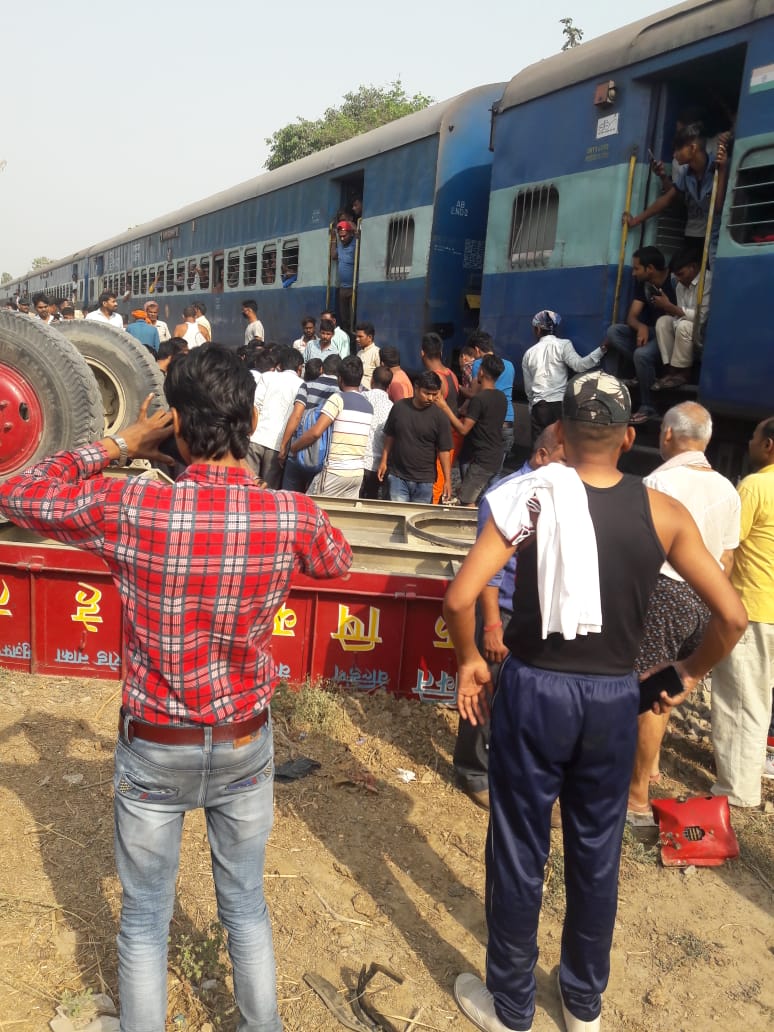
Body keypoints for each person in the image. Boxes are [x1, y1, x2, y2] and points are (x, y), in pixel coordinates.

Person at [0, 344, 353, 1032]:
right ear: (252, 421)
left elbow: (17, 491)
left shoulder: (132, 504)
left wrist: (121, 443)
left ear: (177, 426)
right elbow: (335, 560)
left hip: (156, 744)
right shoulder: (289, 515)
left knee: (143, 920)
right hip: (244, 743)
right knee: (245, 906)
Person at [444, 371, 745, 1032]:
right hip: (614, 696)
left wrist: (469, 661)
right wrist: (687, 672)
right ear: (629, 438)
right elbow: (732, 616)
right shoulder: (664, 512)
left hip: (535, 689)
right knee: (596, 851)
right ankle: (583, 1005)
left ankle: (511, 1005)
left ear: (561, 431)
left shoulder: (531, 496)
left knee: (519, 848)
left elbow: (460, 597)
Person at [627, 402, 740, 824]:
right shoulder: (727, 488)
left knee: (648, 692)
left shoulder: (659, 482)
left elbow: (640, 551)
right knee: (671, 681)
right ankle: (651, 764)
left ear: (669, 434)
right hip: (707, 598)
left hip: (665, 592)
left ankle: (636, 797)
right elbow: (726, 557)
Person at [452, 423, 566, 809]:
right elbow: (489, 572)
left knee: (524, 695)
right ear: (542, 456)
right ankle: (474, 771)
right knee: (486, 689)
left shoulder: (559, 492)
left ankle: (512, 764)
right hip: (504, 610)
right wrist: (492, 625)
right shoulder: (506, 494)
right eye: (565, 459)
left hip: (538, 612)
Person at [711, 415, 774, 809]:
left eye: (753, 437)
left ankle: (738, 790)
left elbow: (728, 546)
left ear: (769, 445)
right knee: (760, 697)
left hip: (754, 607)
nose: (749, 443)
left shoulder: (755, 486)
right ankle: (746, 768)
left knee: (742, 700)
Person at [624, 122, 729, 259]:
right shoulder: (686, 172)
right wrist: (636, 220)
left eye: (678, 149)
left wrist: (722, 170)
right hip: (698, 236)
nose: (674, 155)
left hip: (718, 237)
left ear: (692, 148)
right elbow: (667, 199)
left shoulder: (718, 165)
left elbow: (718, 206)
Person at [602, 246, 677, 425]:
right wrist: (641, 326)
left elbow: (683, 316)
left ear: (649, 268)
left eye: (636, 268)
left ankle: (648, 406)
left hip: (670, 335)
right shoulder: (644, 284)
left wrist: (667, 306)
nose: (633, 273)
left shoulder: (674, 282)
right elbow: (631, 317)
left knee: (641, 354)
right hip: (652, 332)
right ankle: (645, 371)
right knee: (614, 332)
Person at [290, 354, 372, 498]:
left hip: (335, 471)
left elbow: (316, 432)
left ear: (340, 378)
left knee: (312, 506)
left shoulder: (337, 399)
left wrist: (295, 447)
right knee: (343, 512)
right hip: (357, 474)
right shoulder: (368, 406)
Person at [522, 310, 605, 442]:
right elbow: (579, 365)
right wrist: (602, 349)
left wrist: (533, 407)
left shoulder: (529, 353)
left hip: (540, 407)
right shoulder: (563, 345)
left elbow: (529, 389)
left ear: (537, 329)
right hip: (560, 405)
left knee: (540, 445)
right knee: (561, 444)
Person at [436, 354, 508, 506]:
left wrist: (444, 407)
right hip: (497, 455)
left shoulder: (479, 399)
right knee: (487, 499)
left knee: (467, 501)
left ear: (481, 372)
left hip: (483, 459)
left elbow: (463, 430)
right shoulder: (501, 397)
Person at [378, 370, 453, 504]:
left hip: (425, 481)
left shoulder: (440, 417)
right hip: (398, 476)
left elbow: (444, 450)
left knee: (418, 516)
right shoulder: (399, 408)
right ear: (416, 388)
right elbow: (390, 435)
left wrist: (447, 480)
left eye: (434, 394)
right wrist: (383, 461)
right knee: (398, 514)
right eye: (427, 393)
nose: (430, 398)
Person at [279, 354, 342, 494]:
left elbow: (296, 415)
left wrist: (284, 446)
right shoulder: (340, 392)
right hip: (322, 456)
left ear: (321, 369)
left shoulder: (307, 385)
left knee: (290, 496)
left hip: (297, 450)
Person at [651, 250, 711, 390]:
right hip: (686, 330)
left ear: (693, 267)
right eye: (676, 275)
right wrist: (669, 309)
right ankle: (671, 371)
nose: (678, 279)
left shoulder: (707, 280)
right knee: (663, 322)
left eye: (681, 274)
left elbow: (702, 317)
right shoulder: (680, 285)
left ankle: (684, 373)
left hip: (703, 332)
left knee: (683, 325)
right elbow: (680, 314)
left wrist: (671, 307)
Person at [248, 346, 304, 489]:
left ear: (280, 364)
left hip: (255, 438)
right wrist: (284, 446)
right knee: (269, 491)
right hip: (277, 445)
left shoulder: (267, 376)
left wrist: (251, 433)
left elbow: (255, 406)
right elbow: (296, 416)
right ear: (299, 367)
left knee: (248, 485)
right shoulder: (301, 385)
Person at [464, 331, 516, 464]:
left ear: (477, 349)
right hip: (508, 421)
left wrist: (456, 386)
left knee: (475, 464)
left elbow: (474, 394)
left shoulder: (479, 364)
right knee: (496, 470)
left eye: (473, 353)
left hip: (489, 424)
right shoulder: (510, 365)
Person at [421, 333, 460, 504]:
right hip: (452, 438)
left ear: (422, 353)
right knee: (442, 480)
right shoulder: (451, 374)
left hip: (441, 440)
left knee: (436, 484)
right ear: (441, 352)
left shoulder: (435, 379)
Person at [361, 365, 394, 499]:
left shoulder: (362, 398)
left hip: (359, 461)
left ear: (371, 381)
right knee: (372, 499)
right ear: (389, 386)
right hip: (379, 464)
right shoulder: (391, 407)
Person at [331, 219, 357, 332]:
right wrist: (333, 239)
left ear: (351, 233)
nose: (342, 239)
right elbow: (333, 256)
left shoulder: (355, 243)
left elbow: (358, 233)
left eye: (344, 236)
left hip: (353, 288)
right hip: (342, 289)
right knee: (344, 318)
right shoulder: (340, 246)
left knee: (353, 318)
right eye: (340, 236)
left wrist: (348, 222)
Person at [354, 321, 380, 389]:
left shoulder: (377, 353)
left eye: (360, 336)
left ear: (370, 337)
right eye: (356, 336)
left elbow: (381, 378)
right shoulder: (359, 353)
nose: (357, 339)